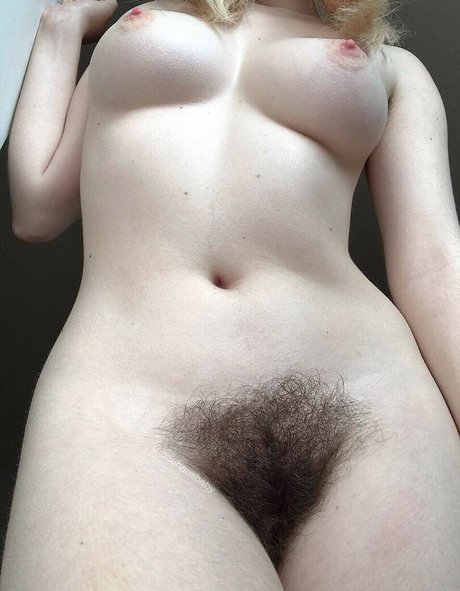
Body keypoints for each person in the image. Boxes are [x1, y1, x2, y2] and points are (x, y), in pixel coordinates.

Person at [2, 0, 460, 588]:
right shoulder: (144, 22)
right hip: (132, 407)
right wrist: (62, 24)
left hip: (370, 400)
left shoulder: (394, 67)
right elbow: (37, 208)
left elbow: (435, 262)